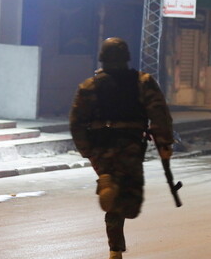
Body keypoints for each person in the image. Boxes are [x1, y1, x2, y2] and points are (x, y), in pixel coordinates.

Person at [69, 37, 175, 259]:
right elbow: (159, 115)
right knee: (130, 203)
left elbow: (76, 122)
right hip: (130, 145)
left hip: (100, 148)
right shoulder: (143, 82)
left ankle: (115, 247)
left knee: (114, 200)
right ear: (126, 57)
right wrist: (164, 143)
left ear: (102, 58)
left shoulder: (89, 86)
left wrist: (87, 151)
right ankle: (115, 243)